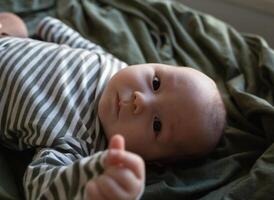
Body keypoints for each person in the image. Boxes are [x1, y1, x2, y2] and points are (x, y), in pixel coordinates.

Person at [0, 13, 226, 200]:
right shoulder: (116, 66)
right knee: (15, 23)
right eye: (156, 83)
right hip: (10, 40)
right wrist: (52, 28)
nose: (141, 101)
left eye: (157, 125)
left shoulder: (82, 144)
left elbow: (40, 185)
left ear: (153, 161)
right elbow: (84, 48)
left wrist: (90, 181)